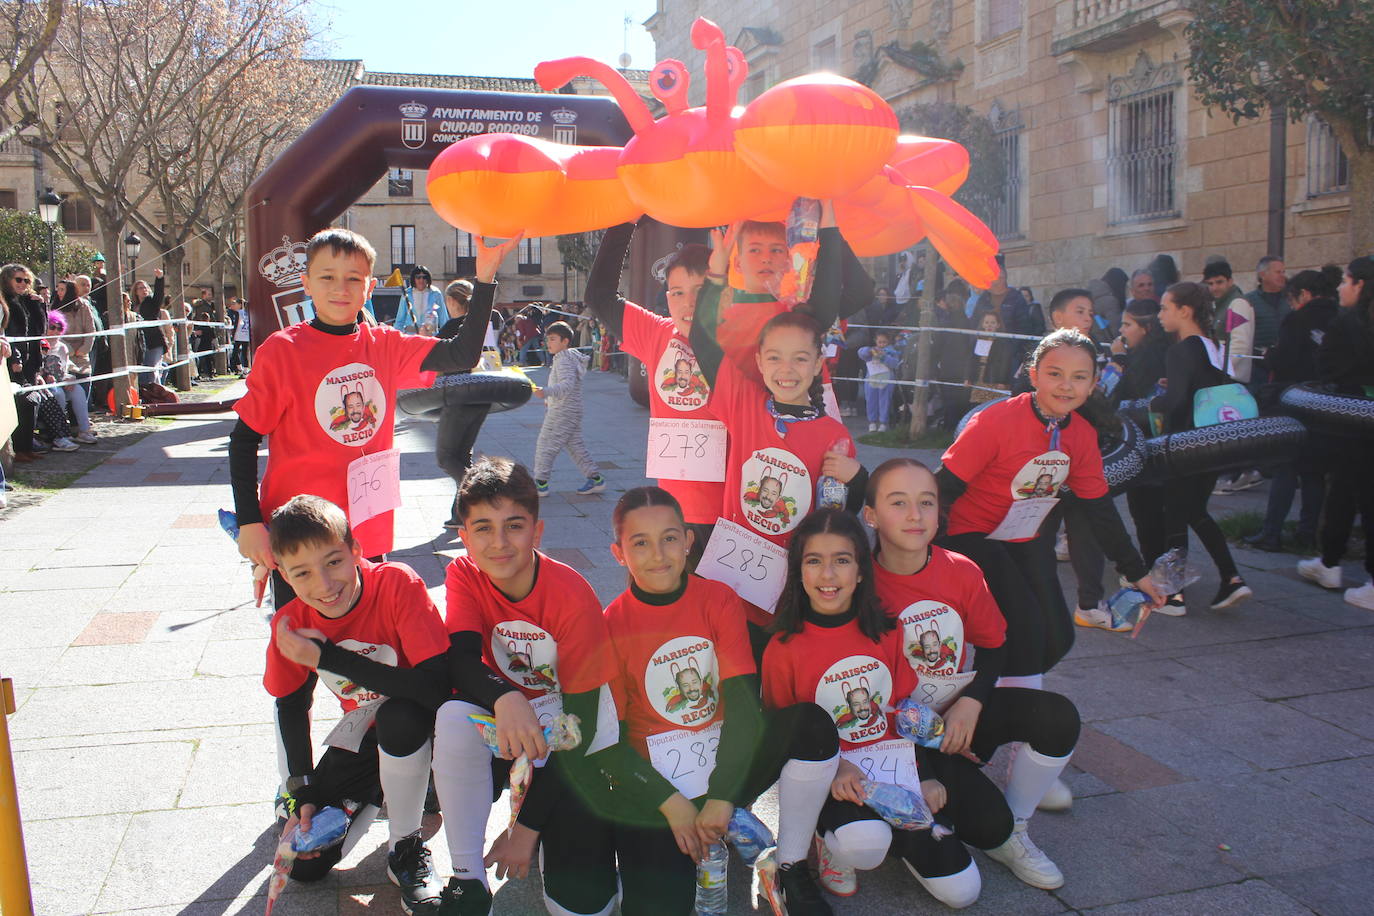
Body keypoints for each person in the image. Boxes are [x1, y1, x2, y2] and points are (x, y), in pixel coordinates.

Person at [228, 227, 520, 610]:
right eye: (327, 277)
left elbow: (461, 354)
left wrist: (484, 279)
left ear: (369, 287)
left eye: (353, 279)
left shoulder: (384, 344)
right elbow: (244, 439)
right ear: (307, 284)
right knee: (302, 651)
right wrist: (250, 523)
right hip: (299, 534)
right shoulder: (282, 351)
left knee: (368, 641)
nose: (340, 288)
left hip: (365, 531)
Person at [431, 457, 658, 915]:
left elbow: (584, 728)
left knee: (581, 909)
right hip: (510, 723)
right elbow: (459, 658)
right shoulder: (464, 573)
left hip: (577, 738)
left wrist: (524, 832)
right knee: (452, 717)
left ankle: (563, 841)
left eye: (514, 526)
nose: (499, 543)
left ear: (537, 532)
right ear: (464, 539)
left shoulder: (571, 595)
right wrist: (507, 696)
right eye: (483, 529)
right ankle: (467, 878)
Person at [603, 486, 840, 915]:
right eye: (641, 543)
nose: (659, 554)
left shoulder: (717, 599)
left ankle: (790, 865)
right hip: (658, 788)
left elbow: (745, 707)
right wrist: (671, 803)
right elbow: (611, 744)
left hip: (725, 769)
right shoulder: (610, 625)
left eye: (670, 537)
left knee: (812, 723)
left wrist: (723, 795)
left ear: (689, 540)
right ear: (619, 553)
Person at [864, 458, 1080, 891]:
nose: (914, 515)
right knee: (964, 880)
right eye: (898, 502)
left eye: (926, 502)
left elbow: (995, 644)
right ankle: (911, 824)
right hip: (893, 741)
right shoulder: (860, 586)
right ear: (870, 515)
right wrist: (922, 767)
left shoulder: (960, 570)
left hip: (955, 722)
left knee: (1058, 717)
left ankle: (1014, 829)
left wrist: (973, 700)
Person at [764, 508, 986, 908]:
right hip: (838, 778)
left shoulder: (887, 631)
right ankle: (827, 837)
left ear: (862, 572)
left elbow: (904, 712)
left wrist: (926, 775)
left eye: (842, 561)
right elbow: (788, 737)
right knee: (866, 844)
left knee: (963, 892)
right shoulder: (783, 647)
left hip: (894, 769)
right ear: (798, 571)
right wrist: (837, 767)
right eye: (814, 561)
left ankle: (907, 836)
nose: (828, 575)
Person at [938, 329, 1163, 687]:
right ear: (1034, 375)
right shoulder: (995, 422)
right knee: (1023, 625)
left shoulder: (1082, 435)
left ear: (1092, 385)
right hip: (971, 536)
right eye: (1055, 374)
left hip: (1025, 536)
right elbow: (941, 489)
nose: (1065, 386)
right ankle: (999, 711)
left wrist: (1137, 573)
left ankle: (993, 699)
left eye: (1079, 377)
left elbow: (1100, 510)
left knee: (1058, 637)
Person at [262, 495, 451, 910]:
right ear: (284, 576)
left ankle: (405, 845)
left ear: (356, 551)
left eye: (333, 562)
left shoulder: (397, 583)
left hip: (432, 728)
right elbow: (291, 706)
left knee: (399, 715)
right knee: (305, 865)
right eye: (302, 573)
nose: (323, 586)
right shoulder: (291, 625)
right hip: (362, 735)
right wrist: (302, 790)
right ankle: (380, 794)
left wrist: (330, 658)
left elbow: (437, 690)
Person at [691, 224, 865, 654]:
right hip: (735, 583)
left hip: (797, 587)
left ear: (816, 363)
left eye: (800, 358)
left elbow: (841, 514)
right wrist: (715, 274)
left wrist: (858, 479)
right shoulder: (744, 404)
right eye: (775, 358)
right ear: (759, 362)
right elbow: (703, 341)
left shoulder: (833, 434)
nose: (786, 369)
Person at [585, 224, 720, 563]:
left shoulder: (743, 339)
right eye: (676, 292)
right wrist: (623, 225)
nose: (688, 303)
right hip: (675, 513)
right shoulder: (659, 334)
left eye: (701, 289)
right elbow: (599, 297)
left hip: (734, 511)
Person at [1150, 282, 1253, 612]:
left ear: (1185, 311)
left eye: (1165, 308)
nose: (1160, 314)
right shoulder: (1213, 345)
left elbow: (1178, 402)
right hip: (1216, 442)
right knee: (1195, 511)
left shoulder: (1179, 350)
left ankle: (1173, 594)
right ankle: (1231, 578)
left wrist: (1154, 402)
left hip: (1184, 444)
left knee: (1175, 515)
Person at [1299, 256, 1374, 610]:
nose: (1341, 288)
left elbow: (1326, 367)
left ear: (1360, 285)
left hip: (1352, 422)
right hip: (1356, 423)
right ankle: (1329, 562)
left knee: (1356, 492)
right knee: (1344, 489)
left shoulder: (1347, 325)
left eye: (1346, 281)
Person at [1245, 270, 1338, 551]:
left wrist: (1269, 356)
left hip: (1293, 400)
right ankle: (1307, 534)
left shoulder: (1297, 319)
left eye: (1293, 298)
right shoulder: (1341, 318)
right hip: (1328, 403)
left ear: (1305, 295)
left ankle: (1272, 532)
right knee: (1314, 472)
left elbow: (1283, 361)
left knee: (1285, 466)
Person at [1106, 300, 1171, 567]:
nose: (1122, 330)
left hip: (1146, 442)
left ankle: (1155, 570)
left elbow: (1113, 396)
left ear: (1144, 328)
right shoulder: (1160, 352)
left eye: (1127, 324)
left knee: (1146, 511)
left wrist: (1119, 360)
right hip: (1159, 442)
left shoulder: (1146, 358)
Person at [431, 278, 495, 528]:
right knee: (461, 455)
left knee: (446, 458)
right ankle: (460, 515)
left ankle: (480, 489)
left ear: (450, 301)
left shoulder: (453, 326)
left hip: (458, 394)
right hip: (484, 392)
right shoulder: (483, 324)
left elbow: (431, 362)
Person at [532, 320, 605, 497]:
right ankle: (596, 479)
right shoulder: (567, 357)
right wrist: (549, 399)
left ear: (565, 341)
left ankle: (540, 483)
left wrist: (546, 392)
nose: (548, 343)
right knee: (575, 447)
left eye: (553, 339)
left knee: (546, 445)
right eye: (548, 339)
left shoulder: (563, 359)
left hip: (563, 411)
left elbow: (567, 385)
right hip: (570, 409)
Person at [3, 263, 51, 461]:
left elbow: (40, 330)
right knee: (20, 403)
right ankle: (17, 449)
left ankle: (26, 445)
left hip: (31, 359)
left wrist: (39, 305)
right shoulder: (5, 301)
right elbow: (8, 332)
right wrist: (15, 358)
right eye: (18, 280)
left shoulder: (27, 301)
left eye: (26, 280)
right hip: (13, 360)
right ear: (7, 280)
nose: (23, 284)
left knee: (32, 402)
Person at [41, 311, 95, 444]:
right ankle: (59, 434)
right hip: (45, 386)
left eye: (59, 328)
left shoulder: (62, 348)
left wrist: (70, 377)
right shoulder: (39, 345)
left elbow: (63, 370)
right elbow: (37, 368)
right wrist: (46, 376)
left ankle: (84, 430)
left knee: (78, 391)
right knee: (58, 394)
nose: (55, 331)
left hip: (60, 382)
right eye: (52, 327)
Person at [132, 270, 171, 385]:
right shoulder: (133, 307)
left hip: (154, 341)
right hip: (140, 342)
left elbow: (159, 295)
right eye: (140, 288)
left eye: (145, 287)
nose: (144, 290)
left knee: (153, 369)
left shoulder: (151, 302)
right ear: (135, 292)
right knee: (145, 369)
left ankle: (157, 394)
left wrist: (159, 279)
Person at [858, 330, 900, 432]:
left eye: (884, 342)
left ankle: (883, 422)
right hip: (871, 380)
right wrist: (869, 351)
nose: (881, 344)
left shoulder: (892, 352)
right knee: (871, 400)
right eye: (879, 342)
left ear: (889, 341)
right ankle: (872, 422)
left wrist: (884, 357)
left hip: (886, 381)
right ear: (875, 341)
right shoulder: (871, 351)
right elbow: (860, 353)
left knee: (884, 401)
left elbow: (895, 364)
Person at [396, 265, 444, 334]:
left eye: (424, 277)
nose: (421, 280)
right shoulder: (406, 294)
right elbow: (400, 320)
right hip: (411, 338)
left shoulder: (436, 294)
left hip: (430, 337)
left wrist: (446, 336)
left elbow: (443, 318)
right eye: (418, 277)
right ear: (414, 279)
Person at [230, 297, 252, 376]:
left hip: (239, 334)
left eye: (235, 304)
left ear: (240, 305)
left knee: (235, 352)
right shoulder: (248, 312)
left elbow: (236, 324)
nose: (234, 305)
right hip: (246, 334)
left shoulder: (238, 312)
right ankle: (245, 369)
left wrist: (233, 334)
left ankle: (240, 368)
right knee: (244, 352)